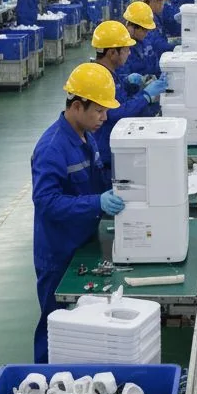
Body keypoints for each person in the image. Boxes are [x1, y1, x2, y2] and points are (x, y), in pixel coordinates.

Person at [31, 62, 123, 363]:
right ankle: (42, 385)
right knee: (54, 324)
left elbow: (96, 180)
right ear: (77, 105)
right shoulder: (52, 148)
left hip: (83, 242)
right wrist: (96, 203)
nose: (104, 117)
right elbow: (46, 202)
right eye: (98, 110)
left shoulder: (86, 135)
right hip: (58, 252)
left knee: (83, 327)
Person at [89, 21, 168, 168]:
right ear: (112, 53)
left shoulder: (109, 73)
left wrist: (129, 83)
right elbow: (115, 113)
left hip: (117, 142)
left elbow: (120, 98)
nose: (129, 53)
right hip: (108, 152)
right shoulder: (100, 79)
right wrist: (145, 96)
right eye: (126, 49)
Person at [121, 1, 170, 78]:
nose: (146, 33)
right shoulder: (121, 49)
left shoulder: (145, 42)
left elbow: (154, 64)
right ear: (131, 27)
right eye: (144, 30)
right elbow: (124, 78)